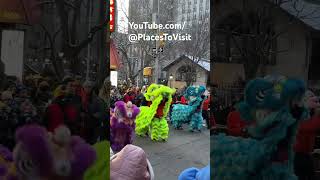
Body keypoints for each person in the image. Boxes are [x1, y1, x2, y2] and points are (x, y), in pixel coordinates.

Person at [294, 90, 320, 180]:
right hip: (295, 156)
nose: (317, 104)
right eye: (314, 101)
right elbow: (307, 127)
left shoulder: (311, 114)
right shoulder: (297, 114)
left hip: (305, 155)